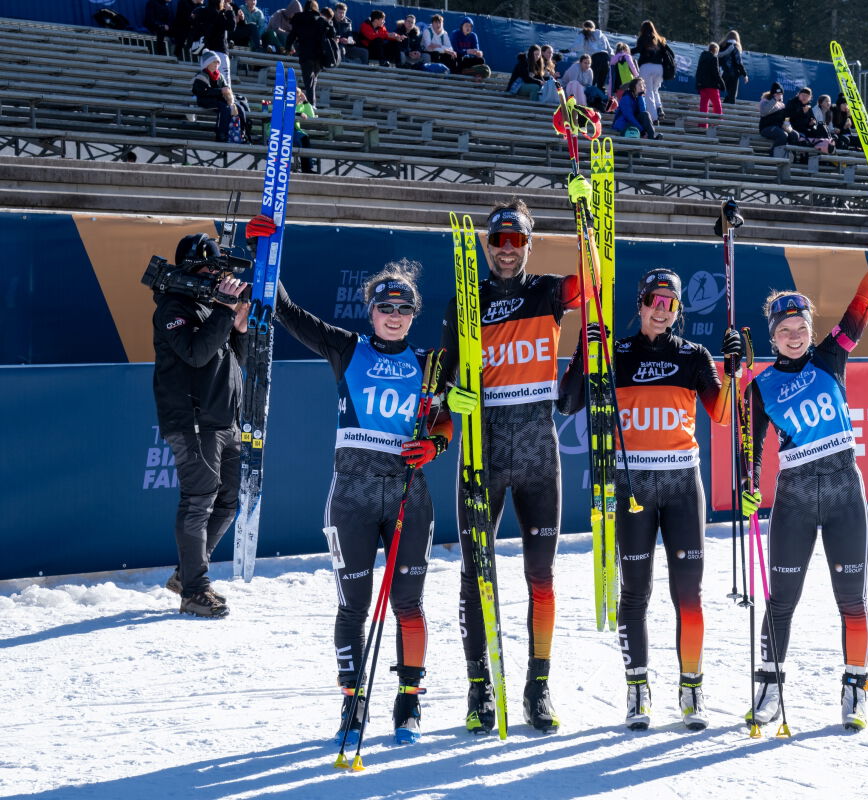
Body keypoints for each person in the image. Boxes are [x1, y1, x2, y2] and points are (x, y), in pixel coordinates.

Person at [261, 252, 453, 744]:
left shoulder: (430, 365)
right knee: (354, 605)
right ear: (370, 311)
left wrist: (436, 443)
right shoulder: (347, 350)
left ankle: (408, 700)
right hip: (351, 494)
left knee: (408, 603)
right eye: (386, 308)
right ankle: (353, 701)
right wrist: (270, 254)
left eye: (404, 310)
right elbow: (287, 311)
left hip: (409, 494)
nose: (394, 316)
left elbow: (445, 418)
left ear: (414, 315)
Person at [558, 268, 741, 732]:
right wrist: (586, 350)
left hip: (682, 483)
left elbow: (722, 417)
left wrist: (734, 368)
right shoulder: (617, 354)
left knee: (689, 594)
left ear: (679, 311)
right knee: (635, 593)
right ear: (640, 305)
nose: (662, 309)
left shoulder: (694, 356)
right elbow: (568, 401)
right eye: (655, 301)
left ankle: (691, 688)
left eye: (671, 303)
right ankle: (637, 690)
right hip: (633, 485)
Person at [742, 237, 868, 732]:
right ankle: (768, 689)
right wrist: (748, 485)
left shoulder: (830, 357)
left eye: (801, 327)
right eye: (785, 330)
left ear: (812, 330)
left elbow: (860, 309)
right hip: (794, 498)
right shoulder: (761, 385)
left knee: (852, 600)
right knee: (781, 601)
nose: (794, 336)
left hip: (843, 491)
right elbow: (751, 446)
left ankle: (856, 688)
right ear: (773, 336)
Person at [439, 199, 582, 735]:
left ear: (528, 243)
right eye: (498, 241)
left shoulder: (547, 292)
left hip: (540, 456)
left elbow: (594, 280)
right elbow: (442, 380)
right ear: (485, 244)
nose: (506, 250)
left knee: (540, 576)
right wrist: (450, 403)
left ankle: (536, 687)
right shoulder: (466, 301)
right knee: (477, 575)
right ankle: (481, 689)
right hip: (484, 454)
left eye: (515, 241)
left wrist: (585, 211)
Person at [152, 233, 249, 619]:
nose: (217, 276)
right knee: (198, 501)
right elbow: (195, 354)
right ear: (191, 269)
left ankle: (188, 573)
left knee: (229, 500)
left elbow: (230, 359)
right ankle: (194, 590)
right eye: (210, 269)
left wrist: (237, 326)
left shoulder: (213, 308)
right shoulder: (173, 308)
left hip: (224, 419)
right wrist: (225, 309)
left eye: (219, 270)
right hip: (193, 422)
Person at [192, 50, 251, 142]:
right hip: (205, 100)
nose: (216, 64)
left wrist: (230, 100)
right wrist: (220, 91)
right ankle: (221, 134)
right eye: (214, 62)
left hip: (218, 99)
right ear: (207, 63)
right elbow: (202, 92)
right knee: (225, 108)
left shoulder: (220, 76)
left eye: (217, 62)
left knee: (239, 107)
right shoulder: (201, 76)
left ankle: (242, 132)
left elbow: (226, 88)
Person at [286, 0, 335, 107]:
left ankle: (311, 105)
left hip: (305, 54)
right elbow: (332, 33)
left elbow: (292, 35)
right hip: (319, 55)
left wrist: (288, 47)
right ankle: (312, 105)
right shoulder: (321, 19)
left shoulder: (299, 18)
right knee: (313, 80)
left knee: (309, 81)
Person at [631, 20, 667, 122]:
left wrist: (627, 51)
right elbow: (668, 53)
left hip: (646, 67)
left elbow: (638, 49)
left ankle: (654, 118)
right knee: (655, 90)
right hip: (659, 68)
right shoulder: (660, 40)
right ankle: (659, 109)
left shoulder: (643, 38)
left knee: (648, 92)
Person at [193, 0, 236, 80]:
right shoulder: (220, 15)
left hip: (206, 52)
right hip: (220, 52)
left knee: (206, 81)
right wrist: (230, 11)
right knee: (225, 84)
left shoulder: (202, 11)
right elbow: (231, 27)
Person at [759, 82, 801, 157]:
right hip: (766, 128)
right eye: (776, 94)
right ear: (772, 94)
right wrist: (774, 100)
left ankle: (790, 156)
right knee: (782, 135)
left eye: (780, 94)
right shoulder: (765, 101)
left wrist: (787, 125)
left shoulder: (782, 105)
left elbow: (786, 117)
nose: (779, 96)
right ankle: (772, 156)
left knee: (795, 135)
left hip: (779, 127)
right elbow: (764, 112)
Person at [572, 19, 612, 88]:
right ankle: (600, 97)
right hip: (605, 58)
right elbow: (609, 49)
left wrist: (569, 49)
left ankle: (589, 97)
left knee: (592, 80)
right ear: (593, 26)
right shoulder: (602, 35)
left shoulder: (584, 34)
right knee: (601, 83)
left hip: (595, 58)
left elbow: (578, 45)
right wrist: (612, 58)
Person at [695, 42, 725, 124]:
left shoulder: (702, 57)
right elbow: (716, 73)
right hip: (712, 86)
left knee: (703, 104)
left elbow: (698, 72)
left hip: (702, 85)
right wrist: (722, 83)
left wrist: (698, 83)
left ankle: (702, 124)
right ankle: (718, 122)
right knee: (717, 104)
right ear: (716, 51)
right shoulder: (714, 58)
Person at [605, 42, 639, 108]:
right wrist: (636, 75)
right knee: (629, 101)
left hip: (618, 86)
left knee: (621, 102)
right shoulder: (627, 56)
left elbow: (611, 78)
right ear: (626, 50)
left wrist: (610, 93)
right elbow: (632, 67)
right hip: (628, 84)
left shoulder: (613, 60)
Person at [718, 30, 748, 104]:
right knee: (732, 95)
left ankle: (721, 107)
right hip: (733, 74)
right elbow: (738, 62)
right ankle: (728, 113)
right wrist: (745, 74)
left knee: (717, 92)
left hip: (722, 73)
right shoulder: (735, 47)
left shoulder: (721, 46)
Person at [294, 88, 318, 173]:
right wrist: (299, 114)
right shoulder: (283, 101)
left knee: (304, 138)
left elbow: (311, 115)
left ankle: (306, 168)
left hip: (294, 131)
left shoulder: (301, 105)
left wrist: (305, 102)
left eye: (297, 94)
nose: (296, 96)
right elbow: (285, 111)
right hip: (281, 129)